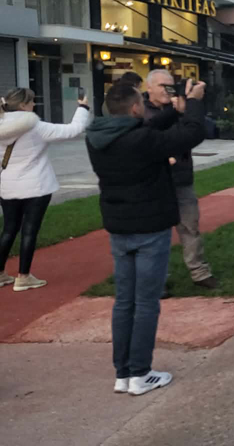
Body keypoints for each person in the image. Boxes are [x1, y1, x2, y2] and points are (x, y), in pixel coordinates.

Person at [86, 79, 206, 396]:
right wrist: (194, 102)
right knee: (146, 303)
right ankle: (140, 373)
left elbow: (148, 130)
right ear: (135, 108)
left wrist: (172, 110)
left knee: (124, 302)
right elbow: (192, 134)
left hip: (119, 227)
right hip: (150, 228)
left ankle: (123, 373)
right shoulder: (140, 140)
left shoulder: (97, 136)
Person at [0, 88, 92, 291]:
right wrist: (83, 108)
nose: (34, 104)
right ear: (23, 105)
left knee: (9, 229)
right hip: (36, 185)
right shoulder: (36, 127)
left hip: (7, 184)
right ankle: (23, 277)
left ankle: (0, 274)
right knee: (29, 231)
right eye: (31, 101)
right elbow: (73, 130)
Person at [143, 70, 216, 289]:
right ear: (149, 88)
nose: (168, 90)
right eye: (162, 86)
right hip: (154, 180)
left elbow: (203, 130)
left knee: (190, 225)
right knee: (155, 232)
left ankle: (199, 271)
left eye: (171, 86)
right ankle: (159, 278)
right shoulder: (141, 111)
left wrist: (190, 107)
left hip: (181, 176)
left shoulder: (181, 107)